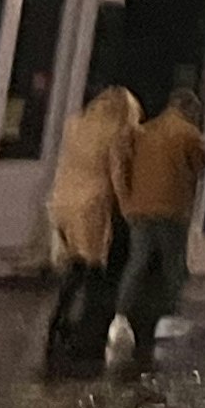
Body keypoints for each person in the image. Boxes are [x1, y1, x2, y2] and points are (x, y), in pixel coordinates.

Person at [44, 85, 139, 375]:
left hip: (64, 200)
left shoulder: (76, 124)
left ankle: (57, 322)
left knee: (74, 265)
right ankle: (85, 332)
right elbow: (116, 173)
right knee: (93, 268)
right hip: (93, 205)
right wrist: (128, 206)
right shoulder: (116, 132)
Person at [115, 88, 205, 368]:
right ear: (189, 109)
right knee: (173, 265)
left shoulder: (146, 130)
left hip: (140, 207)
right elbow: (201, 164)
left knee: (138, 262)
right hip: (171, 209)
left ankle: (120, 318)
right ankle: (168, 320)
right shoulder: (189, 133)